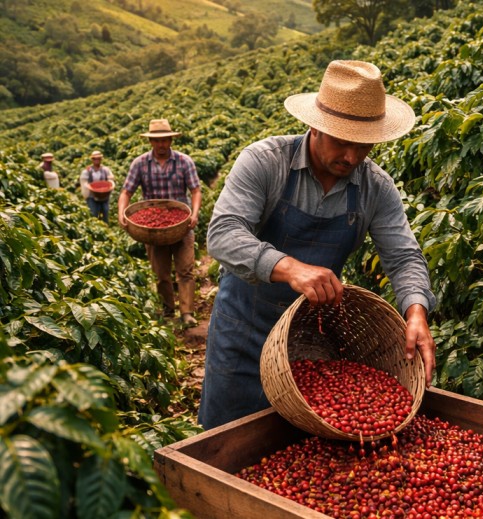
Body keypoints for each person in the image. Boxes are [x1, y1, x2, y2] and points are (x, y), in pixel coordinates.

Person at [201, 60, 436, 429]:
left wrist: (417, 311)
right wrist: (290, 268)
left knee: (298, 448)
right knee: (227, 439)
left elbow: (404, 256)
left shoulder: (375, 187)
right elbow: (223, 233)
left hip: (309, 340)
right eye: (343, 142)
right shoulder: (265, 162)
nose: (353, 157)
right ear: (315, 126)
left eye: (364, 146)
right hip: (244, 330)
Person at [117, 119, 202, 327]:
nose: (161, 145)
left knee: (186, 270)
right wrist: (121, 213)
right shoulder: (140, 163)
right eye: (157, 141)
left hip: (182, 226)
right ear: (150, 142)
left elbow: (195, 190)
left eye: (165, 140)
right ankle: (168, 310)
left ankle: (187, 312)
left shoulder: (184, 161)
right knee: (161, 274)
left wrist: (194, 213)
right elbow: (126, 191)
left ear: (171, 139)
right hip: (153, 231)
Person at [79, 150, 116, 221]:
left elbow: (111, 179)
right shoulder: (88, 171)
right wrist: (90, 189)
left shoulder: (105, 170)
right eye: (95, 159)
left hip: (104, 195)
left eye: (98, 158)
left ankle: (106, 227)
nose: (97, 160)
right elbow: (84, 182)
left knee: (105, 212)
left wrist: (108, 186)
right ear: (92, 160)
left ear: (101, 159)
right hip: (92, 196)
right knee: (94, 214)